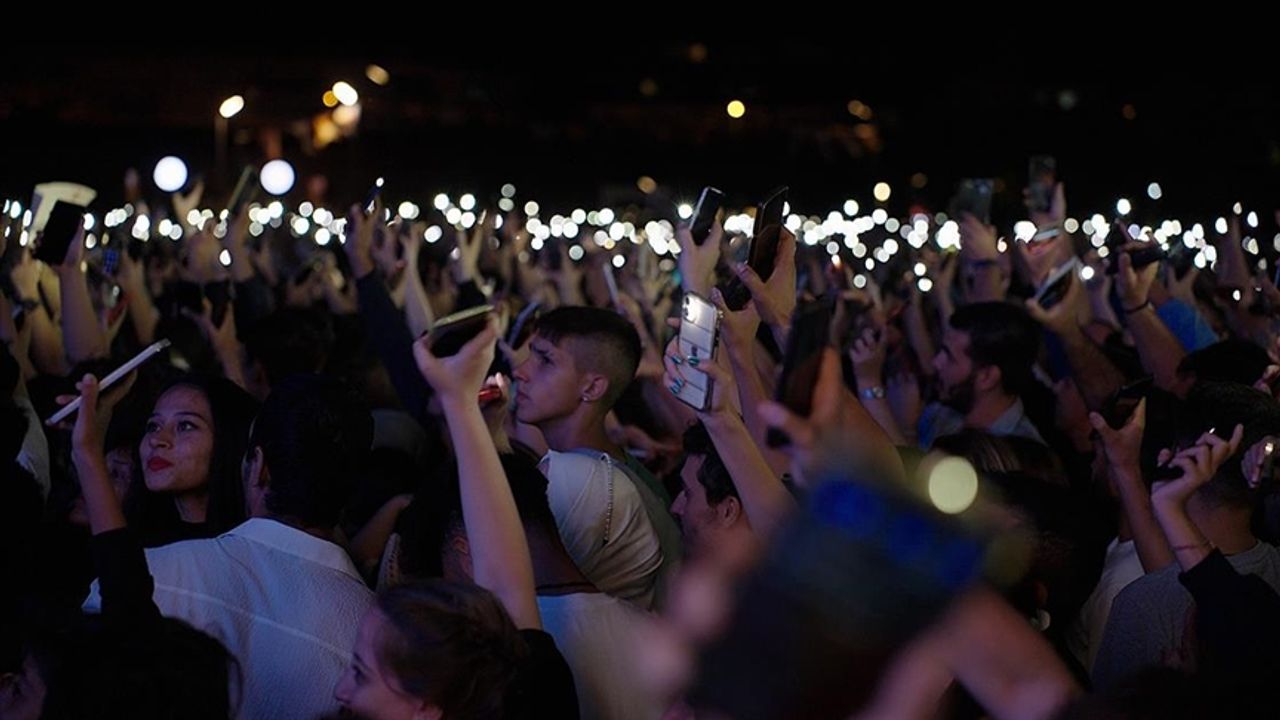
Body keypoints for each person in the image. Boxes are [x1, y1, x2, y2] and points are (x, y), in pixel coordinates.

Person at [84, 374, 376, 720]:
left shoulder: (150, 574)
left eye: (187, 426)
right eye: (153, 426)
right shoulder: (378, 638)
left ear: (257, 467)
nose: (159, 441)